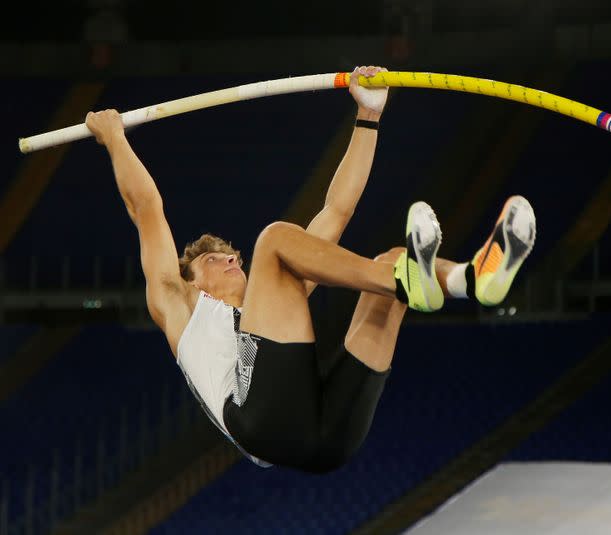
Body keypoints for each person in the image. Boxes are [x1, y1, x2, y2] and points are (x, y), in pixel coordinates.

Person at [85, 65, 536, 473]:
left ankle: (468, 280)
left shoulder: (280, 303)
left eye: (232, 256)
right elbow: (146, 208)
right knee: (276, 239)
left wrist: (368, 117)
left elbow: (336, 210)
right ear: (192, 279)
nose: (231, 259)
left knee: (390, 261)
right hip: (258, 421)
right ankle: (409, 281)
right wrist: (115, 138)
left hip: (326, 441)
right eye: (214, 260)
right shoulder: (179, 305)